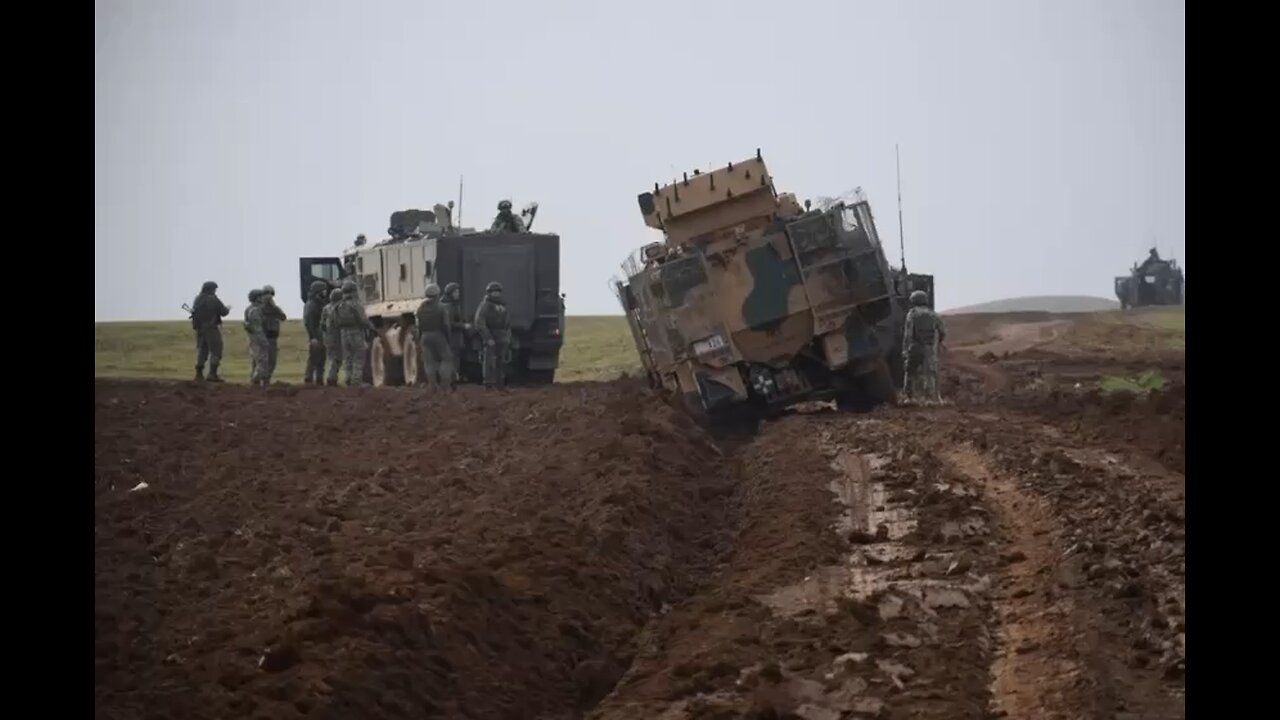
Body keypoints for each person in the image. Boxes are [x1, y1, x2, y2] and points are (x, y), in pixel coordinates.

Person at [902, 290, 945, 404]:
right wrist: (938, 343)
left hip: (915, 346)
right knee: (930, 372)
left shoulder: (912, 314)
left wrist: (905, 350)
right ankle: (930, 398)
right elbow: (942, 331)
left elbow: (908, 334)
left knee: (910, 371)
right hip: (929, 348)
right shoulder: (933, 314)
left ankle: (910, 397)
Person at [333, 280, 376, 385]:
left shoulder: (338, 306)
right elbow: (363, 320)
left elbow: (335, 321)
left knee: (348, 358)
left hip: (343, 334)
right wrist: (372, 328)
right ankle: (356, 381)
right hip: (355, 332)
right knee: (358, 357)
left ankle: (348, 379)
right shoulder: (355, 304)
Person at [415, 284, 454, 391]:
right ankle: (445, 385)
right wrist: (448, 338)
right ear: (437, 294)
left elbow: (418, 326)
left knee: (428, 362)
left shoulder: (420, 309)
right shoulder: (441, 307)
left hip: (424, 336)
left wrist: (420, 339)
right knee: (446, 359)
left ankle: (432, 385)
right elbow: (446, 325)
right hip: (438, 335)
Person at [189, 281, 230, 382]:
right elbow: (223, 312)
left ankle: (199, 374)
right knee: (216, 350)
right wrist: (228, 309)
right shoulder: (212, 299)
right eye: (214, 289)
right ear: (211, 289)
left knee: (202, 351)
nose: (215, 291)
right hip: (211, 328)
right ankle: (212, 374)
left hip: (199, 329)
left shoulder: (197, 299)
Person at [474, 281, 511, 389]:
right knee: (489, 361)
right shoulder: (485, 305)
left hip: (502, 336)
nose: (496, 294)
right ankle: (488, 384)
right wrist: (488, 337)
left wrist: (508, 337)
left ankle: (500, 384)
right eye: (494, 292)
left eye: (498, 292)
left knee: (501, 362)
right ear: (489, 293)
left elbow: (508, 323)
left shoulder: (503, 306)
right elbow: (479, 322)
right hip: (491, 335)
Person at [259, 285, 287, 383]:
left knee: (261, 359)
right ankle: (265, 379)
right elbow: (283, 317)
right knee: (271, 360)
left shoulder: (257, 308)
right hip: (270, 336)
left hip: (263, 336)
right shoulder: (273, 308)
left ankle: (258, 379)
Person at [302, 281, 329, 385]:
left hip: (321, 336)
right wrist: (313, 336)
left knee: (321, 360)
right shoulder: (312, 305)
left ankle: (319, 380)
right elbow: (309, 322)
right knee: (314, 359)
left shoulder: (318, 303)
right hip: (316, 337)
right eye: (323, 290)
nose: (325, 292)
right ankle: (308, 379)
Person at [442, 282, 469, 381]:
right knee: (452, 357)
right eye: (455, 292)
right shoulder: (448, 306)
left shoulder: (454, 305)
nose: (458, 294)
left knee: (456, 357)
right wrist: (464, 325)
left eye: (458, 292)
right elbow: (449, 323)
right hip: (452, 337)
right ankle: (452, 377)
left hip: (456, 337)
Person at [244, 290, 270, 387]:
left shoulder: (249, 309)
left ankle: (256, 380)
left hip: (253, 337)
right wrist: (264, 341)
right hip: (258, 337)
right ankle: (257, 379)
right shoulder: (255, 310)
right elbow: (257, 327)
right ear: (257, 298)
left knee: (257, 359)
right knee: (262, 359)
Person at [320, 288, 344, 386]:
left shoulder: (326, 308)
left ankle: (332, 378)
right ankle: (331, 379)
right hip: (337, 336)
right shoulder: (340, 307)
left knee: (332, 358)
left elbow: (322, 324)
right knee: (336, 359)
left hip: (328, 336)